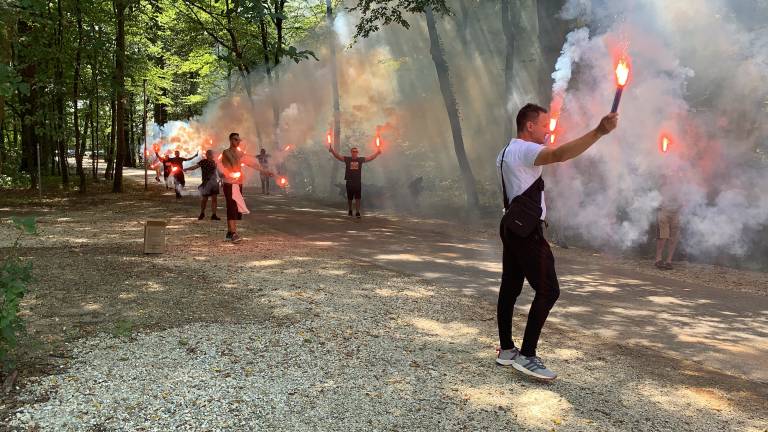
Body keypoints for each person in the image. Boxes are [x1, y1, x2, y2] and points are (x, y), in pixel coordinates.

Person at [495, 103, 618, 380]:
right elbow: (560, 154)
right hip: (527, 231)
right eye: (543, 125)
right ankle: (527, 355)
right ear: (529, 126)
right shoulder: (526, 150)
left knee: (510, 288)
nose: (547, 131)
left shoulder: (505, 152)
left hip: (511, 226)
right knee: (549, 290)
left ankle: (507, 350)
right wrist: (599, 131)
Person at [220, 132, 273, 243]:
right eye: (235, 139)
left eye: (239, 140)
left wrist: (265, 171)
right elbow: (226, 166)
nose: (238, 142)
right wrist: (230, 174)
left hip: (238, 183)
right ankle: (233, 233)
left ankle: (230, 232)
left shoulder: (240, 153)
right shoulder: (226, 152)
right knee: (232, 206)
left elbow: (251, 164)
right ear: (231, 140)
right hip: (229, 183)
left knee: (235, 207)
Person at [328, 144, 382, 218]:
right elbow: (338, 157)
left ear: (357, 153)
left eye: (356, 151)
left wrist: (377, 153)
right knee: (349, 198)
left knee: (358, 198)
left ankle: (357, 212)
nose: (355, 152)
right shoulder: (348, 159)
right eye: (353, 151)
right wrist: (332, 151)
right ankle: (350, 210)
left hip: (357, 182)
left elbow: (370, 158)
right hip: (349, 181)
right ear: (351, 152)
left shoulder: (360, 160)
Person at [184, 149, 221, 221]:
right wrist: (187, 168)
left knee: (214, 199)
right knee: (204, 199)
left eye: (211, 154)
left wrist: (223, 177)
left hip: (214, 182)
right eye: (208, 154)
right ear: (207, 155)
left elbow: (218, 172)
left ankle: (214, 215)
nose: (210, 155)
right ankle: (202, 213)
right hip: (206, 182)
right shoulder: (203, 162)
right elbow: (195, 167)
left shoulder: (214, 162)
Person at [654, 175, 682, 270]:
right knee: (663, 235)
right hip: (664, 210)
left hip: (676, 211)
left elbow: (684, 197)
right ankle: (658, 259)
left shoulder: (681, 183)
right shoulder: (664, 182)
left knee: (673, 237)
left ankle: (669, 261)